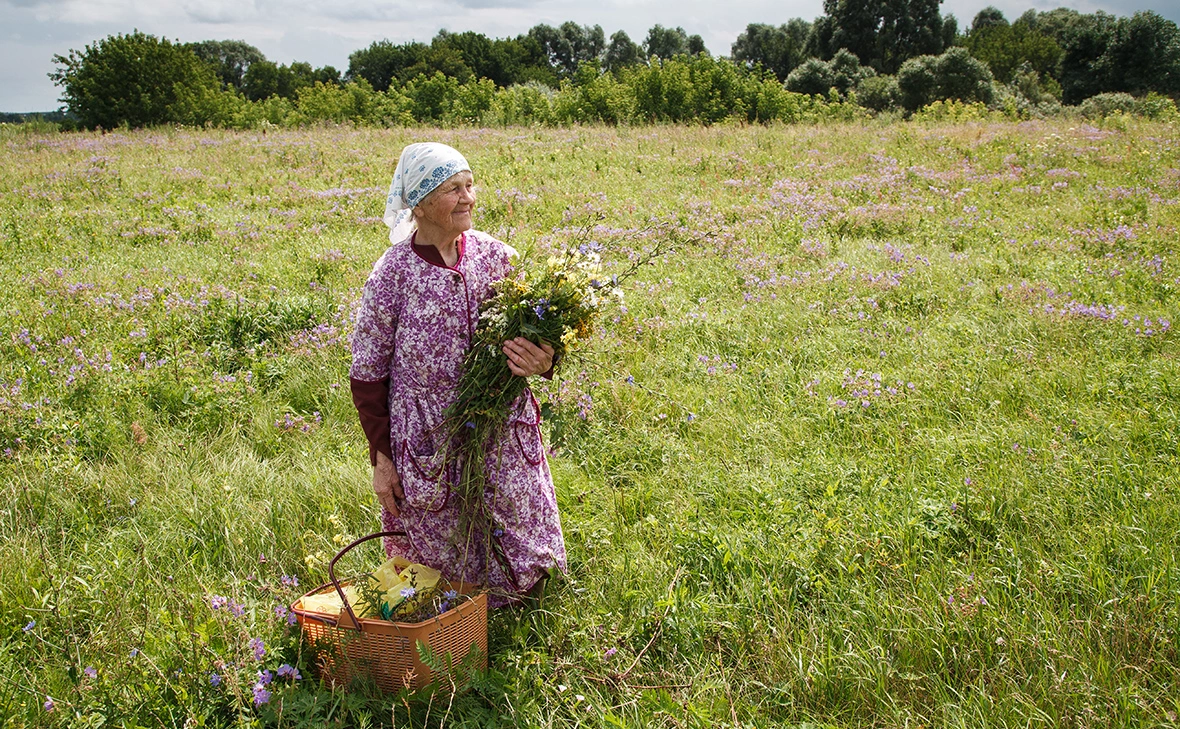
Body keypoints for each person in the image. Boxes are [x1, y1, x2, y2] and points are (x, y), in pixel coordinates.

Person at [350, 142, 566, 605]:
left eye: (470, 185)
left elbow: (538, 333)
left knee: (520, 529)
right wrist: (382, 460)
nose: (469, 197)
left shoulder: (497, 257)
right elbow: (367, 376)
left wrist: (546, 361)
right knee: (441, 560)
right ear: (421, 202)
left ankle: (520, 616)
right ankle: (452, 629)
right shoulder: (391, 275)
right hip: (429, 439)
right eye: (454, 189)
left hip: (501, 424)